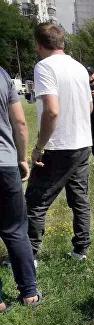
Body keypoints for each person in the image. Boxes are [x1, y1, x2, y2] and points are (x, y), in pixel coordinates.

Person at [26, 22, 93, 261]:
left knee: (35, 202)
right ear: (62, 42)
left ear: (38, 44)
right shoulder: (79, 68)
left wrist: (39, 147)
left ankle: (29, 256)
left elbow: (52, 111)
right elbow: (90, 105)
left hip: (58, 146)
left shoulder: (44, 67)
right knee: (79, 198)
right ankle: (81, 250)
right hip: (83, 143)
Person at [0, 65, 42, 311]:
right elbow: (20, 122)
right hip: (5, 162)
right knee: (16, 229)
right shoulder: (3, 75)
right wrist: (22, 158)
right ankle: (29, 293)